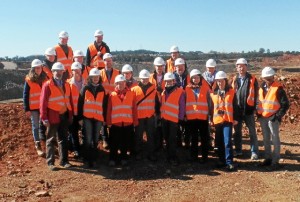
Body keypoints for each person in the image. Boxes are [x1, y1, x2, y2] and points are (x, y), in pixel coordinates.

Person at [40, 62, 73, 171]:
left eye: (60, 71)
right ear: (52, 72)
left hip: (64, 115)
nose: (58, 73)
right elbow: (43, 103)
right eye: (56, 71)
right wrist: (44, 117)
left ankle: (64, 161)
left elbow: (69, 100)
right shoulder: (47, 85)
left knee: (63, 139)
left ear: (63, 72)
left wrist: (70, 114)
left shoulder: (67, 84)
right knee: (50, 139)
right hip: (52, 115)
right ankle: (50, 163)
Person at [257, 67, 289, 168]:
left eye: (270, 78)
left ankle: (275, 161)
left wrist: (277, 116)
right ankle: (268, 158)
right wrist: (258, 113)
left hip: (273, 118)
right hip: (263, 117)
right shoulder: (261, 88)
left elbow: (285, 104)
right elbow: (259, 102)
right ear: (263, 78)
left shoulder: (278, 88)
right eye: (266, 78)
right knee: (266, 139)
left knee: (275, 139)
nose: (268, 80)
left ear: (273, 77)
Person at [210, 71, 239, 171]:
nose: (219, 83)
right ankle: (222, 160)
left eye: (221, 81)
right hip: (217, 120)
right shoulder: (213, 93)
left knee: (227, 141)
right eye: (218, 81)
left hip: (227, 120)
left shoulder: (231, 92)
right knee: (219, 142)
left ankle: (229, 162)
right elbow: (211, 107)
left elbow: (236, 106)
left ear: (225, 81)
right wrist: (210, 119)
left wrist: (236, 118)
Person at [106, 74, 138, 166]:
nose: (121, 85)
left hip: (128, 123)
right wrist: (108, 122)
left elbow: (134, 109)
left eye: (122, 83)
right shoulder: (112, 95)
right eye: (118, 83)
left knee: (125, 142)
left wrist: (135, 121)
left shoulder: (131, 93)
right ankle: (113, 158)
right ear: (116, 84)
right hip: (116, 123)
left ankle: (124, 157)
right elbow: (109, 110)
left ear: (125, 83)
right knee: (114, 142)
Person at [77, 68, 106, 168]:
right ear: (90, 78)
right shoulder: (85, 88)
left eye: (97, 77)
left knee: (95, 139)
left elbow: (104, 105)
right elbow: (80, 104)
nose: (95, 78)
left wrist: (104, 119)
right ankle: (87, 159)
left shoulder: (102, 89)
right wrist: (80, 118)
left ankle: (94, 159)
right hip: (87, 117)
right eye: (93, 77)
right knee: (88, 139)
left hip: (98, 118)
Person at [231, 58, 259, 160]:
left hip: (248, 110)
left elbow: (257, 94)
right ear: (237, 67)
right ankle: (238, 150)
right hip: (237, 110)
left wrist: (256, 107)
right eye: (239, 66)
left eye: (243, 66)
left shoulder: (252, 79)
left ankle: (254, 152)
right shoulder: (234, 79)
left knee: (252, 132)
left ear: (246, 67)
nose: (241, 68)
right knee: (237, 132)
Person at [131, 69, 160, 161]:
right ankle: (138, 153)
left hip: (150, 116)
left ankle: (151, 153)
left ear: (149, 78)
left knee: (151, 136)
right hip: (139, 117)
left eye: (146, 78)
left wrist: (157, 113)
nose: (145, 80)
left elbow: (157, 102)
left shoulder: (154, 89)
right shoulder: (134, 89)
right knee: (138, 136)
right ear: (140, 78)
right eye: (143, 79)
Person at [23, 59, 48, 157]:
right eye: (36, 68)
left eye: (40, 67)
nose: (38, 69)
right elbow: (25, 95)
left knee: (45, 124)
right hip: (33, 107)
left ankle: (48, 144)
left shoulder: (45, 78)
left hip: (44, 106)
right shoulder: (29, 80)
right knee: (36, 126)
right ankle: (38, 145)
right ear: (33, 69)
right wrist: (27, 109)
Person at [185, 69, 210, 163]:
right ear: (191, 79)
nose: (195, 79)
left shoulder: (205, 88)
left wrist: (210, 115)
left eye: (197, 77)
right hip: (191, 118)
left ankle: (204, 156)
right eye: (193, 78)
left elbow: (209, 102)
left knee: (204, 138)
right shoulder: (187, 88)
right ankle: (194, 156)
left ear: (200, 78)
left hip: (203, 117)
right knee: (193, 138)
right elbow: (185, 102)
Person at [161, 72, 185, 166]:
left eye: (170, 81)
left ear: (174, 81)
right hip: (164, 119)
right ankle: (168, 156)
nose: (168, 83)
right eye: (166, 81)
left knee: (172, 139)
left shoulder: (179, 92)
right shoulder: (163, 91)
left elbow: (182, 106)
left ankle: (173, 157)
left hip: (174, 120)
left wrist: (180, 118)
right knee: (166, 138)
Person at [100, 53, 120, 149]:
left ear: (112, 61)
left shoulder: (117, 72)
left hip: (114, 98)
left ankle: (112, 137)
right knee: (103, 118)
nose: (108, 62)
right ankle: (104, 139)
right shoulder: (99, 73)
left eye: (109, 60)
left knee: (113, 117)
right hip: (103, 99)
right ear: (103, 62)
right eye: (106, 60)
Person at [68, 61, 86, 159]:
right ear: (72, 71)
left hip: (84, 112)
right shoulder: (68, 83)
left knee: (84, 131)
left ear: (81, 70)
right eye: (75, 70)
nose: (77, 72)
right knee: (73, 132)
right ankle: (76, 149)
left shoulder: (86, 82)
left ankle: (84, 148)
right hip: (73, 112)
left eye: (78, 69)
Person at [149, 57, 165, 151]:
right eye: (157, 66)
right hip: (153, 104)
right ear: (154, 66)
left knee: (162, 126)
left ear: (163, 66)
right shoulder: (151, 77)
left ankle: (161, 144)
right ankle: (155, 144)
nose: (159, 68)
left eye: (161, 66)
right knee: (154, 126)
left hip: (164, 104)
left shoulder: (167, 76)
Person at [173, 58, 190, 148]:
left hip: (187, 105)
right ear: (175, 67)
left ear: (184, 66)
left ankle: (187, 143)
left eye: (181, 66)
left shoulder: (189, 77)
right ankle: (178, 143)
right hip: (175, 106)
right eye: (178, 66)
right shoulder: (171, 77)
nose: (180, 68)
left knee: (187, 126)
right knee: (177, 127)